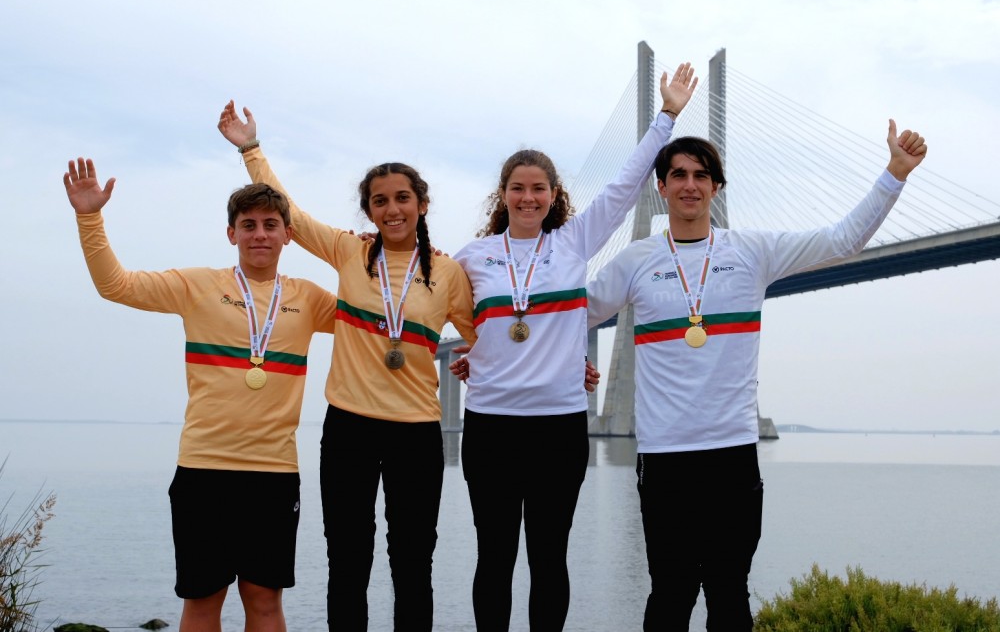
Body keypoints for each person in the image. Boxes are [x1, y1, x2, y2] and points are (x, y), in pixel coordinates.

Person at [585, 121, 928, 630]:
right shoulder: (636, 260)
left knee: (729, 595)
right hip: (665, 459)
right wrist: (555, 360)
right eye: (677, 175)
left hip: (732, 456)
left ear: (717, 187)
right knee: (670, 595)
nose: (689, 185)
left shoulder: (752, 252)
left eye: (702, 175)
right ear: (660, 188)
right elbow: (571, 316)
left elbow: (844, 240)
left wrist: (895, 174)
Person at [450, 63, 699, 631]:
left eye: (539, 188)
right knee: (494, 558)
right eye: (518, 188)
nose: (528, 197)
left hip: (558, 426)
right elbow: (437, 306)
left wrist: (667, 116)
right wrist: (474, 352)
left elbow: (627, 183)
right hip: (489, 425)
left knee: (548, 558)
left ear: (553, 195)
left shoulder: (575, 242)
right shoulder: (471, 256)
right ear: (503, 195)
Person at [217, 102, 478, 632]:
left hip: (418, 432)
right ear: (370, 212)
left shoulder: (449, 272)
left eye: (403, 198)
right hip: (349, 429)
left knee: (412, 565)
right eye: (379, 201)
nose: (392, 209)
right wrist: (251, 149)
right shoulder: (348, 253)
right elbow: (291, 212)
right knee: (348, 564)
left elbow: (487, 336)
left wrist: (499, 362)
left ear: (422, 204)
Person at [63, 158, 339, 632]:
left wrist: (400, 257)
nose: (260, 235)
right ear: (231, 233)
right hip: (203, 469)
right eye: (248, 225)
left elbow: (375, 324)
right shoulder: (197, 287)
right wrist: (90, 217)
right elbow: (116, 285)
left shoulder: (310, 298)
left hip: (273, 472)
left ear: (288, 235)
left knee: (265, 601)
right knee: (203, 600)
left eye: (271, 225)